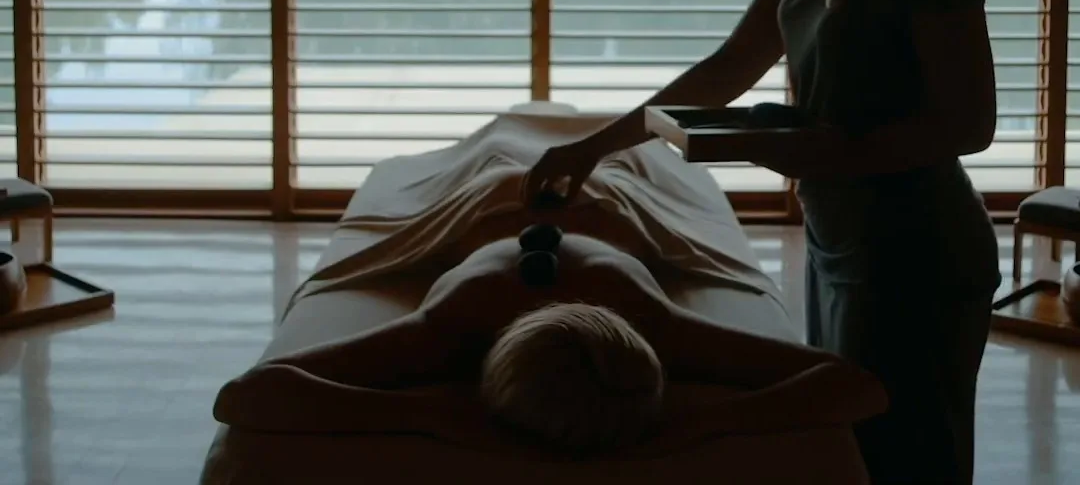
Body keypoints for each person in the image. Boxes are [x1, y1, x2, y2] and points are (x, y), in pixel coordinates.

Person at [522, 0, 1002, 484]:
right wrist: (593, 150)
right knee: (849, 452)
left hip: (918, 253)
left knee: (904, 463)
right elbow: (733, 63)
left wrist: (821, 151)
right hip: (839, 236)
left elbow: (969, 123)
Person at [216, 226, 884, 455]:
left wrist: (707, 422)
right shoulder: (452, 326)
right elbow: (244, 397)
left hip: (614, 224)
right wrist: (421, 414)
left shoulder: (655, 327)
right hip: (478, 221)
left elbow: (859, 387)